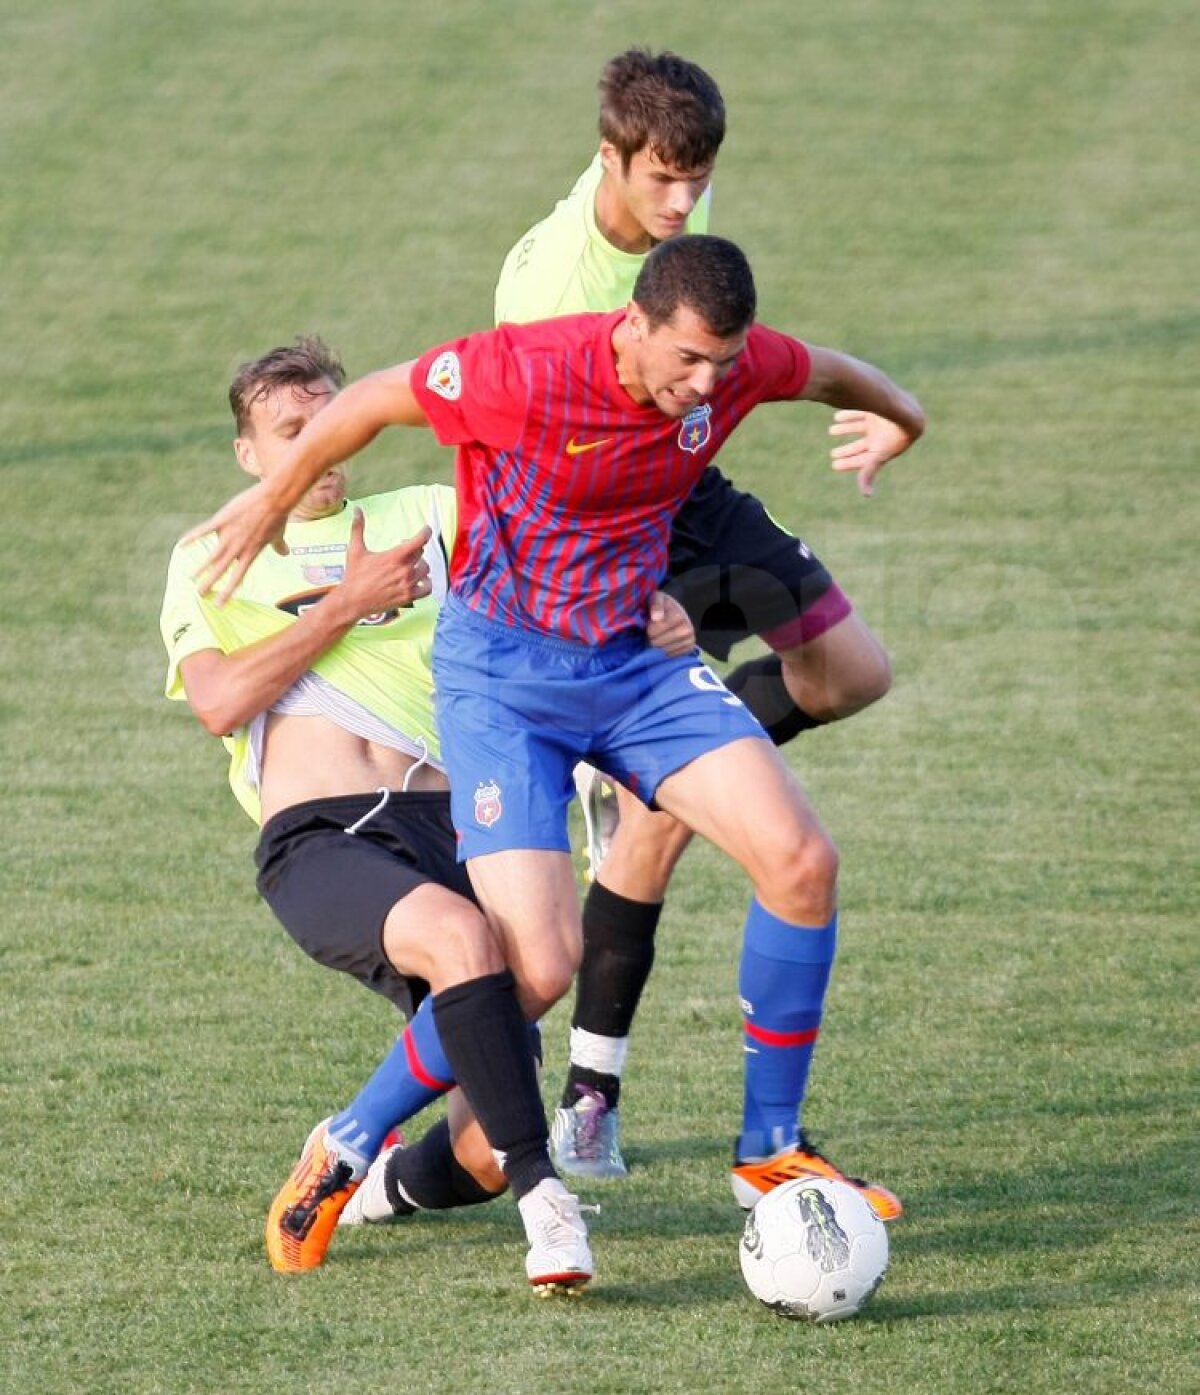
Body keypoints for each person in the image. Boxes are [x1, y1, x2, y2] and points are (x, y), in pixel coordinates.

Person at [185, 235, 925, 1227]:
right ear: (637, 324)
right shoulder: (521, 372)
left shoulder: (732, 371)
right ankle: (352, 1140)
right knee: (533, 966)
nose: (706, 384)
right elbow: (366, 402)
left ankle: (771, 1152)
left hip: (629, 667)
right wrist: (268, 505)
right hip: (505, 684)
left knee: (801, 862)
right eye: (687, 360)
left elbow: (832, 370)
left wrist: (901, 422)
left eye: (723, 361)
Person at [162, 337, 685, 1293]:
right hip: (322, 834)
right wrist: (346, 603)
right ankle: (548, 1205)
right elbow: (218, 703)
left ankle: (359, 1163)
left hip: (458, 819)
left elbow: (565, 560)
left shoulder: (429, 515)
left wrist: (654, 608)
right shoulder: (214, 554)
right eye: (289, 434)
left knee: (484, 1133)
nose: (315, 450)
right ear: (249, 454)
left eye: (326, 427)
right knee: (458, 940)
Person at [495, 49, 898, 1198]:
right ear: (609, 159)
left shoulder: (681, 204)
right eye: (662, 181)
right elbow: (523, 483)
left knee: (847, 673)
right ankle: (591, 1098)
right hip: (604, 528)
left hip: (688, 483)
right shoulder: (548, 290)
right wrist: (618, 595)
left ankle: (658, 770)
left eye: (698, 178)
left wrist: (890, 414)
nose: (683, 202)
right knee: (661, 830)